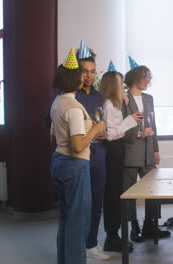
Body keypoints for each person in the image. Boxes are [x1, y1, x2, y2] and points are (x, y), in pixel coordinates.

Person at [50, 48, 106, 264]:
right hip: (76, 165)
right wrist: (96, 128)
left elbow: (53, 138)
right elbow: (77, 145)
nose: (86, 77)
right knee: (77, 220)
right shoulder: (74, 108)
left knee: (65, 218)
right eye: (82, 74)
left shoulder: (58, 102)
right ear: (74, 78)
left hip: (59, 161)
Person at [121, 63, 170, 242]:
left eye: (150, 77)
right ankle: (133, 227)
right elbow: (120, 126)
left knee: (153, 189)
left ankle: (151, 226)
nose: (148, 81)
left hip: (148, 151)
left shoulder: (149, 98)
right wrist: (138, 134)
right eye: (146, 77)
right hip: (130, 150)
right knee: (130, 192)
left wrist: (156, 149)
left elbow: (153, 125)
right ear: (135, 78)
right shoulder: (123, 98)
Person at [74, 43, 110, 260]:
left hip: (99, 154)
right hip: (78, 156)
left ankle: (92, 244)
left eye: (93, 71)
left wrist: (104, 131)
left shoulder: (99, 96)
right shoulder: (68, 95)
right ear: (77, 71)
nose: (89, 75)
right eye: (85, 71)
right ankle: (76, 244)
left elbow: (104, 122)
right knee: (80, 202)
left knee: (97, 200)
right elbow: (50, 123)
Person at [100, 69, 141, 253]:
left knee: (117, 192)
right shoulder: (109, 105)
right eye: (120, 83)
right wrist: (129, 121)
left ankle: (114, 234)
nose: (123, 86)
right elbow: (110, 134)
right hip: (112, 150)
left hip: (117, 150)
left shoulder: (114, 103)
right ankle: (112, 236)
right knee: (113, 193)